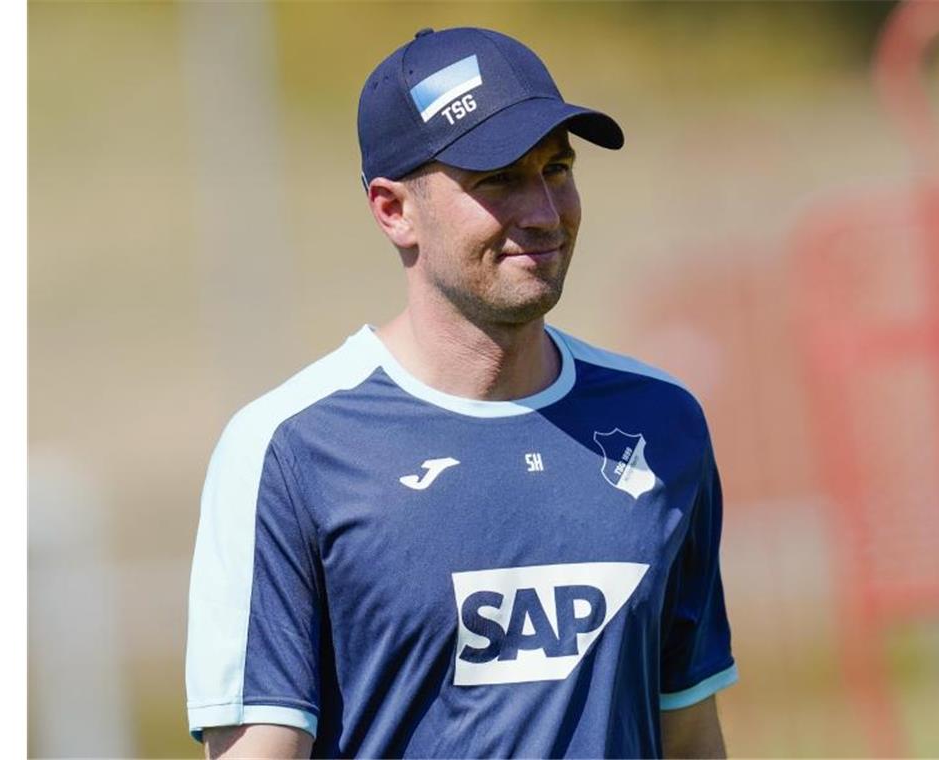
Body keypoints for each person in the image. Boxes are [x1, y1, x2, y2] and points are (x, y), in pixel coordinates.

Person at [186, 26, 738, 759]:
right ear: (393, 210)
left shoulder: (661, 423)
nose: (544, 211)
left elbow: (690, 732)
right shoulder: (290, 448)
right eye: (499, 179)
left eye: (558, 167)